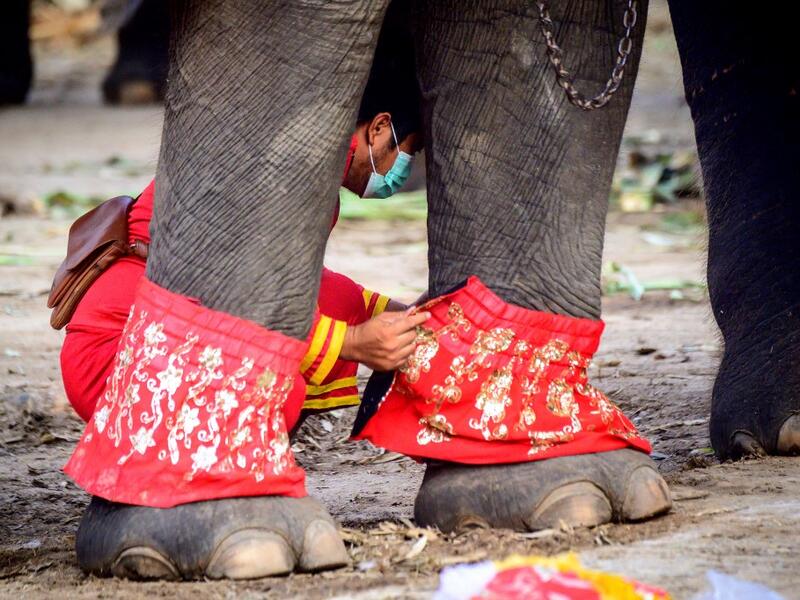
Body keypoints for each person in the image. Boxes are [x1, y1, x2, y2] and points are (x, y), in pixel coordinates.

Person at [60, 100, 425, 423]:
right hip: (121, 358)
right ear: (378, 127)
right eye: (409, 152)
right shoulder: (284, 172)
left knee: (335, 303)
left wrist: (402, 313)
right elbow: (247, 293)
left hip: (153, 334)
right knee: (277, 389)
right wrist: (354, 342)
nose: (403, 172)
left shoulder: (306, 169)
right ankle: (192, 485)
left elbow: (300, 282)